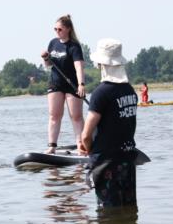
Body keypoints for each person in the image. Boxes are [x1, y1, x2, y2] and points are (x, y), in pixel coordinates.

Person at [78, 39, 139, 208]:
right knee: (128, 209)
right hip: (128, 160)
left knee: (108, 213)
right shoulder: (130, 91)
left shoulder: (101, 93)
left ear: (101, 64)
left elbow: (86, 135)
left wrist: (89, 150)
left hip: (106, 164)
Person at [40, 14, 86, 154]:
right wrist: (45, 58)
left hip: (72, 85)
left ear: (68, 29)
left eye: (59, 29)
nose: (57, 32)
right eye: (55, 29)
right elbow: (48, 65)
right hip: (55, 83)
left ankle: (81, 146)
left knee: (76, 116)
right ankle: (52, 146)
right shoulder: (53, 43)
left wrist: (81, 84)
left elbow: (79, 67)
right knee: (54, 115)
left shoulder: (74, 46)